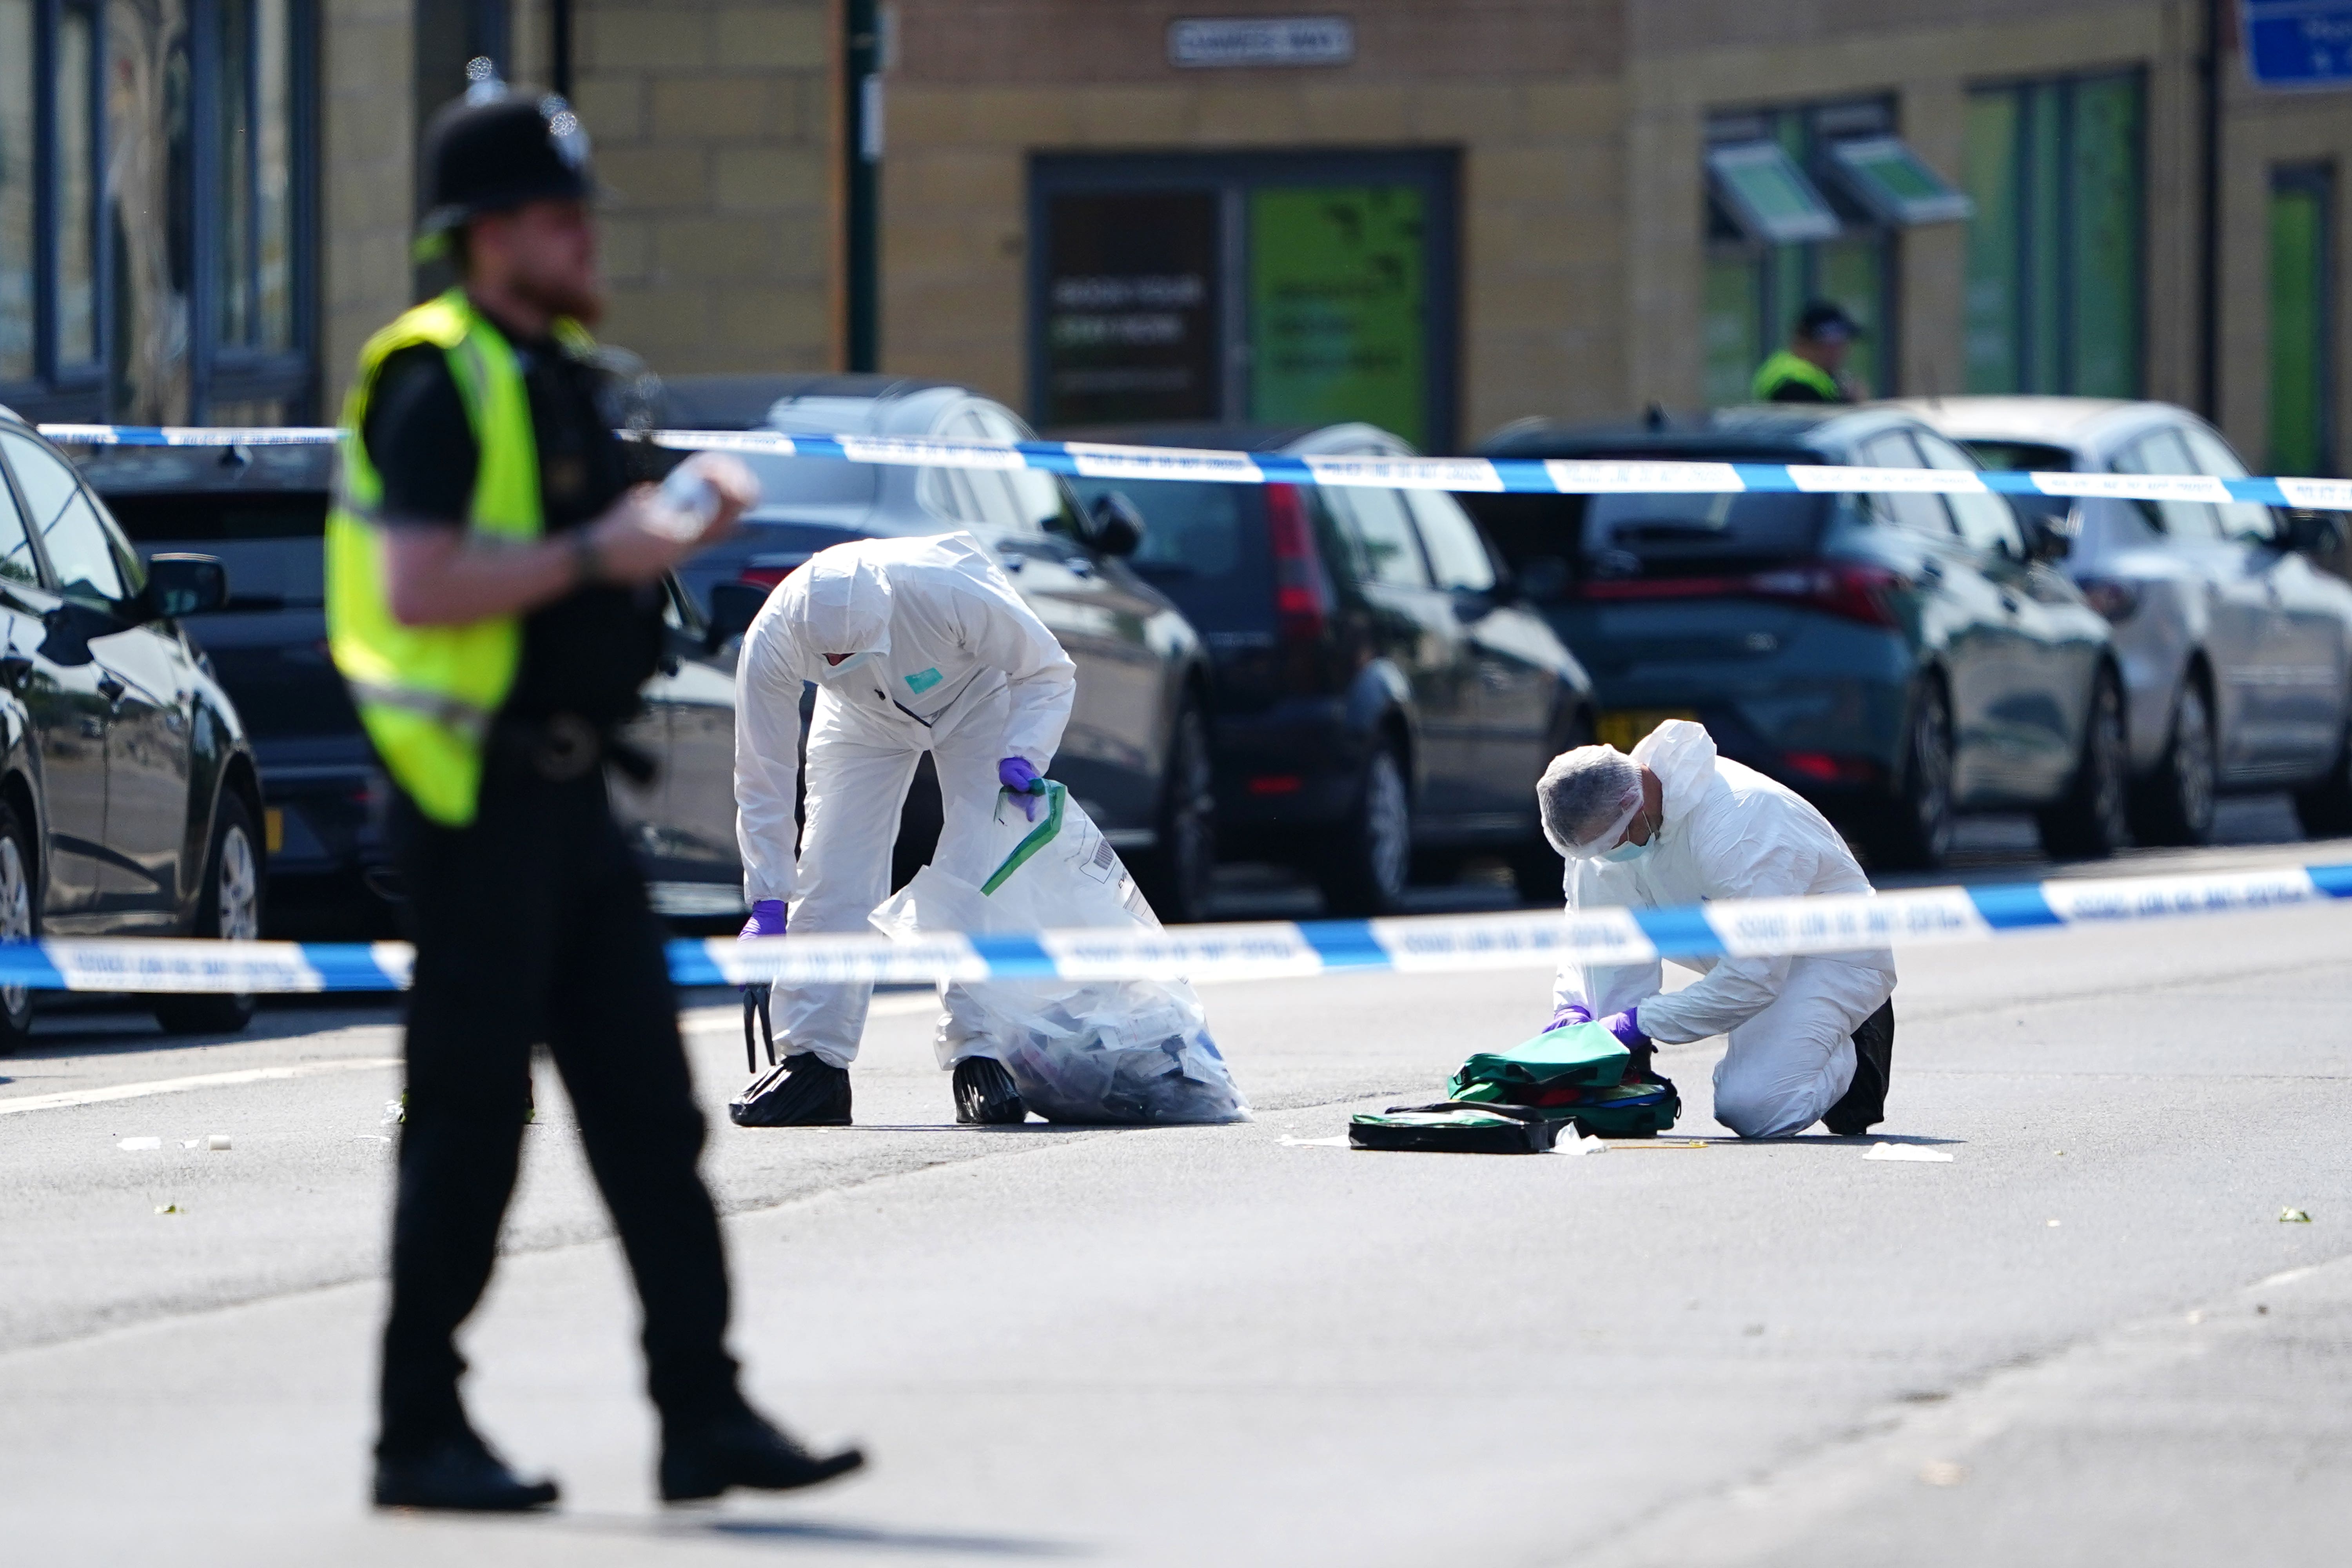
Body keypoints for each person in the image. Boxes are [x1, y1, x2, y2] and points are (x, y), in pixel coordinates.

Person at [330, 76, 862, 1511]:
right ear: (490, 232)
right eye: (561, 216)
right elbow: (420, 582)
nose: (585, 239)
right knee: (471, 1118)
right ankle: (414, 1430)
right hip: (469, 806)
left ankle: (704, 1412)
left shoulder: (556, 375)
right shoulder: (434, 378)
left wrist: (671, 522)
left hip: (570, 803)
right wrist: (609, 551)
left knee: (649, 1113)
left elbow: (597, 545)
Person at [732, 532, 1077, 1126]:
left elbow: (1048, 670)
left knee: (979, 866)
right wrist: (766, 902)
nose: (837, 664)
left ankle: (982, 1051)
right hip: (859, 717)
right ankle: (814, 1060)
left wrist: (1025, 753)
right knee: (831, 863)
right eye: (829, 660)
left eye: (852, 654)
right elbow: (761, 770)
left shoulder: (950, 590)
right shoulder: (776, 633)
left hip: (977, 698)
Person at [1534, 720, 1895, 1139]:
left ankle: (1852, 1033)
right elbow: (1590, 928)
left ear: (1634, 799)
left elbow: (1755, 974)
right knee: (1594, 875)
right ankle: (1619, 1072)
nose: (1609, 856)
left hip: (1824, 957)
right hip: (1734, 952)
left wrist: (1642, 1021)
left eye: (1612, 843)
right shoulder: (1617, 815)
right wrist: (1575, 1006)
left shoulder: (1740, 821)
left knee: (1755, 1110)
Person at [1751, 299, 1866, 404]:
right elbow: (1816, 423)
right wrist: (1851, 405)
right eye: (1835, 344)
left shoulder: (1790, 368)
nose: (1842, 351)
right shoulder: (1795, 385)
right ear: (1807, 342)